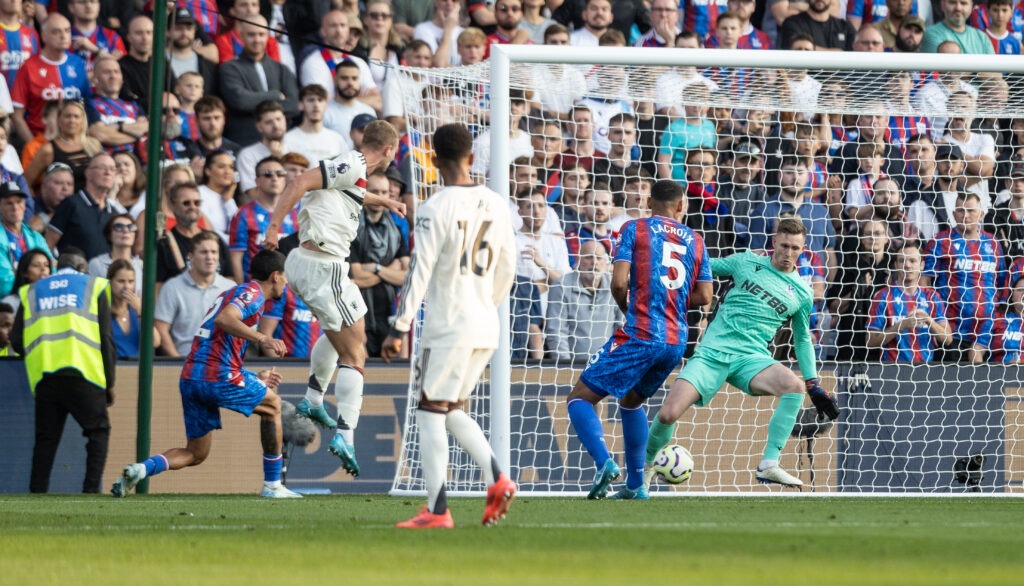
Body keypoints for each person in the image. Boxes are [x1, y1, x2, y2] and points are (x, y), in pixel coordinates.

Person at [380, 123, 518, 528]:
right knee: (451, 408)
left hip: (449, 324)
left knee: (428, 409)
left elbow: (418, 272)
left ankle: (438, 510)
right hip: (484, 322)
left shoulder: (434, 208)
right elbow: (508, 268)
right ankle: (498, 478)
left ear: (434, 160)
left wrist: (399, 326)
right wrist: (484, 305)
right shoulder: (497, 203)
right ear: (471, 158)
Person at [645, 218, 840, 490]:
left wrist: (813, 383)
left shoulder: (802, 293)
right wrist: (667, 262)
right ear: (773, 243)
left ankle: (769, 464)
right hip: (712, 353)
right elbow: (705, 266)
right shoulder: (746, 262)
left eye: (795, 248)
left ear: (803, 248)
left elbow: (803, 339)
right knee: (667, 414)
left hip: (751, 359)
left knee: (793, 387)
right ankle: (644, 466)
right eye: (784, 246)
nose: (789, 253)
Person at [262, 120, 403, 477]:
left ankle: (312, 399)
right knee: (356, 354)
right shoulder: (353, 163)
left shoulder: (353, 173)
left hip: (313, 265)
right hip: (324, 266)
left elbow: (352, 192)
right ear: (388, 150)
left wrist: (384, 200)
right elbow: (299, 182)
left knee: (338, 332)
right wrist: (274, 226)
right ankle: (345, 435)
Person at [565, 179, 713, 500]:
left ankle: (605, 463)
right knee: (631, 402)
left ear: (649, 203)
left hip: (642, 331)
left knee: (579, 399)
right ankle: (636, 486)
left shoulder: (634, 228)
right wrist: (668, 297)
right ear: (681, 205)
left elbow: (618, 284)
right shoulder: (697, 240)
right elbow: (704, 295)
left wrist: (635, 303)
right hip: (676, 342)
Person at [112, 250, 301, 498]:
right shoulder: (253, 294)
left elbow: (218, 344)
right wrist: (263, 337)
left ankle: (140, 469)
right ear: (275, 276)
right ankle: (273, 485)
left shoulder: (230, 292)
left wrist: (255, 377)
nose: (287, 283)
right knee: (274, 405)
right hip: (216, 375)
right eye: (285, 277)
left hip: (193, 376)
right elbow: (225, 319)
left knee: (196, 453)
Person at [11, 249, 116, 493]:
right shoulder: (94, 286)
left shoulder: (34, 291)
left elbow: (17, 340)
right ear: (82, 269)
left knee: (45, 440)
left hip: (46, 375)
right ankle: (90, 491)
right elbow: (106, 339)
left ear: (58, 267)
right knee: (98, 431)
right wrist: (109, 382)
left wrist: (42, 352)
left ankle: (37, 493)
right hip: (85, 374)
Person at [348, 171, 410, 357]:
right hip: (358, 316)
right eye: (375, 192)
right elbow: (356, 277)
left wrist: (376, 268)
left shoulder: (397, 228)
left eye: (384, 192)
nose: (380, 197)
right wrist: (390, 270)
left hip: (390, 316)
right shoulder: (352, 228)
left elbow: (406, 277)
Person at [154, 231, 236, 357]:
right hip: (184, 360)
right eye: (204, 252)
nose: (209, 257)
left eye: (214, 252)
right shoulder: (172, 287)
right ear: (190, 257)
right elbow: (161, 328)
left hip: (223, 363)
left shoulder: (231, 288)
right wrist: (176, 361)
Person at [866, 243, 952, 363]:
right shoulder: (883, 296)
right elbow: (870, 341)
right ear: (895, 265)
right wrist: (901, 325)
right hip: (891, 371)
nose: (907, 265)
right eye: (902, 261)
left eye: (912, 261)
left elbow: (948, 339)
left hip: (925, 371)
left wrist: (929, 321)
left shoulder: (932, 296)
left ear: (922, 265)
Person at [0, 181, 50, 298]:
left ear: (25, 205)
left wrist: (18, 273)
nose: (15, 207)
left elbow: (51, 267)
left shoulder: (35, 236)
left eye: (19, 202)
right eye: (9, 203)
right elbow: (4, 284)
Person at [106, 258, 158, 359]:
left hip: (136, 368)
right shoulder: (102, 310)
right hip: (113, 367)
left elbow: (155, 342)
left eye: (131, 281)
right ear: (110, 282)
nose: (127, 286)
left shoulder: (139, 308)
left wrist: (140, 311)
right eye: (121, 281)